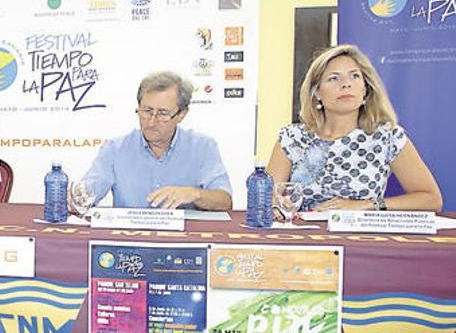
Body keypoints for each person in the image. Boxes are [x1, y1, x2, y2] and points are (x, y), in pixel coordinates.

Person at [266, 44, 442, 212]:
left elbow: (431, 199)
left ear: (366, 89)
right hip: (305, 237)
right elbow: (267, 199)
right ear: (317, 93)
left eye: (354, 76)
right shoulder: (292, 138)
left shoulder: (388, 137)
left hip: (362, 238)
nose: (346, 84)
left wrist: (367, 205)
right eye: (334, 78)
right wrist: (276, 206)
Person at [79, 71, 232, 210]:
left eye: (162, 114)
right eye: (147, 111)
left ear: (181, 115)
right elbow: (85, 194)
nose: (152, 122)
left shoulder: (202, 147)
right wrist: (74, 197)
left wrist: (194, 194)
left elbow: (225, 201)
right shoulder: (115, 149)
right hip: (129, 238)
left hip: (182, 238)